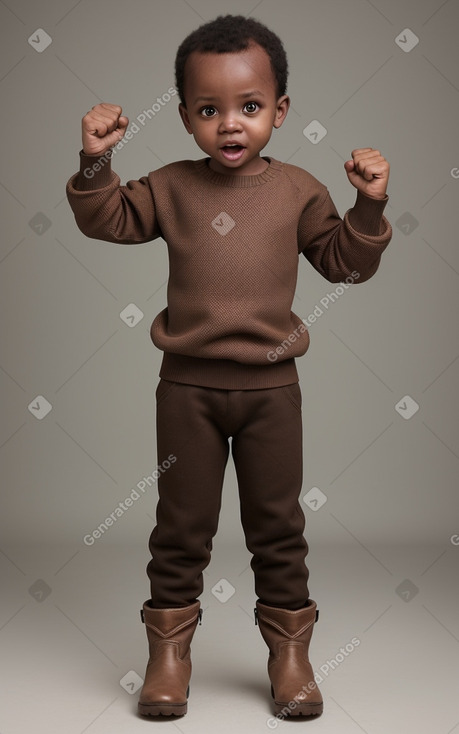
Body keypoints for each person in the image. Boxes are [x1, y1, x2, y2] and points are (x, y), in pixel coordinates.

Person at [66, 13, 392, 719]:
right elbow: (106, 219)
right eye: (208, 110)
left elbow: (345, 264)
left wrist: (368, 207)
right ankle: (168, 656)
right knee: (181, 525)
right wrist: (96, 161)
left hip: (272, 391)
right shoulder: (171, 186)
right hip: (186, 389)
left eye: (248, 107)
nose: (230, 125)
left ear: (279, 110)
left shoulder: (300, 190)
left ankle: (291, 656)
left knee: (276, 525)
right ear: (184, 117)